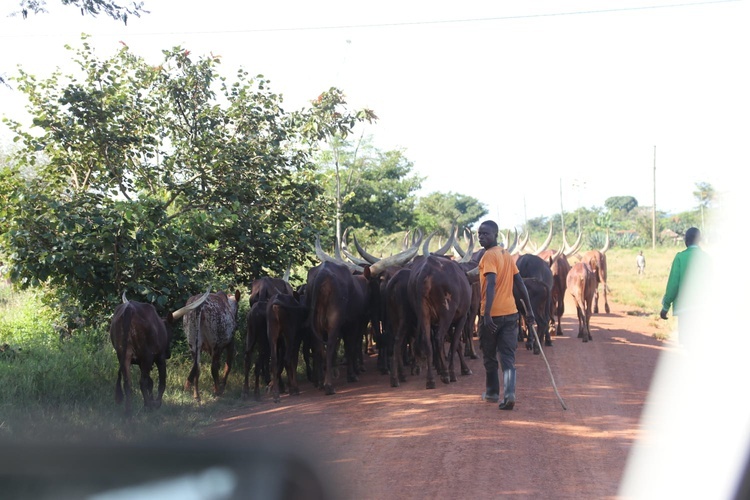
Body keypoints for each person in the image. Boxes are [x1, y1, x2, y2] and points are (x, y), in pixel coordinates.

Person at [477, 220, 535, 411]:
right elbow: (520, 284)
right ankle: (509, 394)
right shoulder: (507, 255)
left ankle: (493, 392)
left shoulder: (488, 257)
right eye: (479, 234)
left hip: (492, 316)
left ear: (495, 234)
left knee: (489, 355)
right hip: (511, 314)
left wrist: (486, 315)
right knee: (508, 357)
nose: (481, 237)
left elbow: (491, 283)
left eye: (485, 233)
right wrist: (529, 311)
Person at [660, 227, 705, 339]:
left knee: (687, 342)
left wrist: (665, 307)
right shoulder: (707, 259)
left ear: (686, 240)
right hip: (704, 310)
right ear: (699, 240)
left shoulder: (680, 257)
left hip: (685, 309)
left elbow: (673, 285)